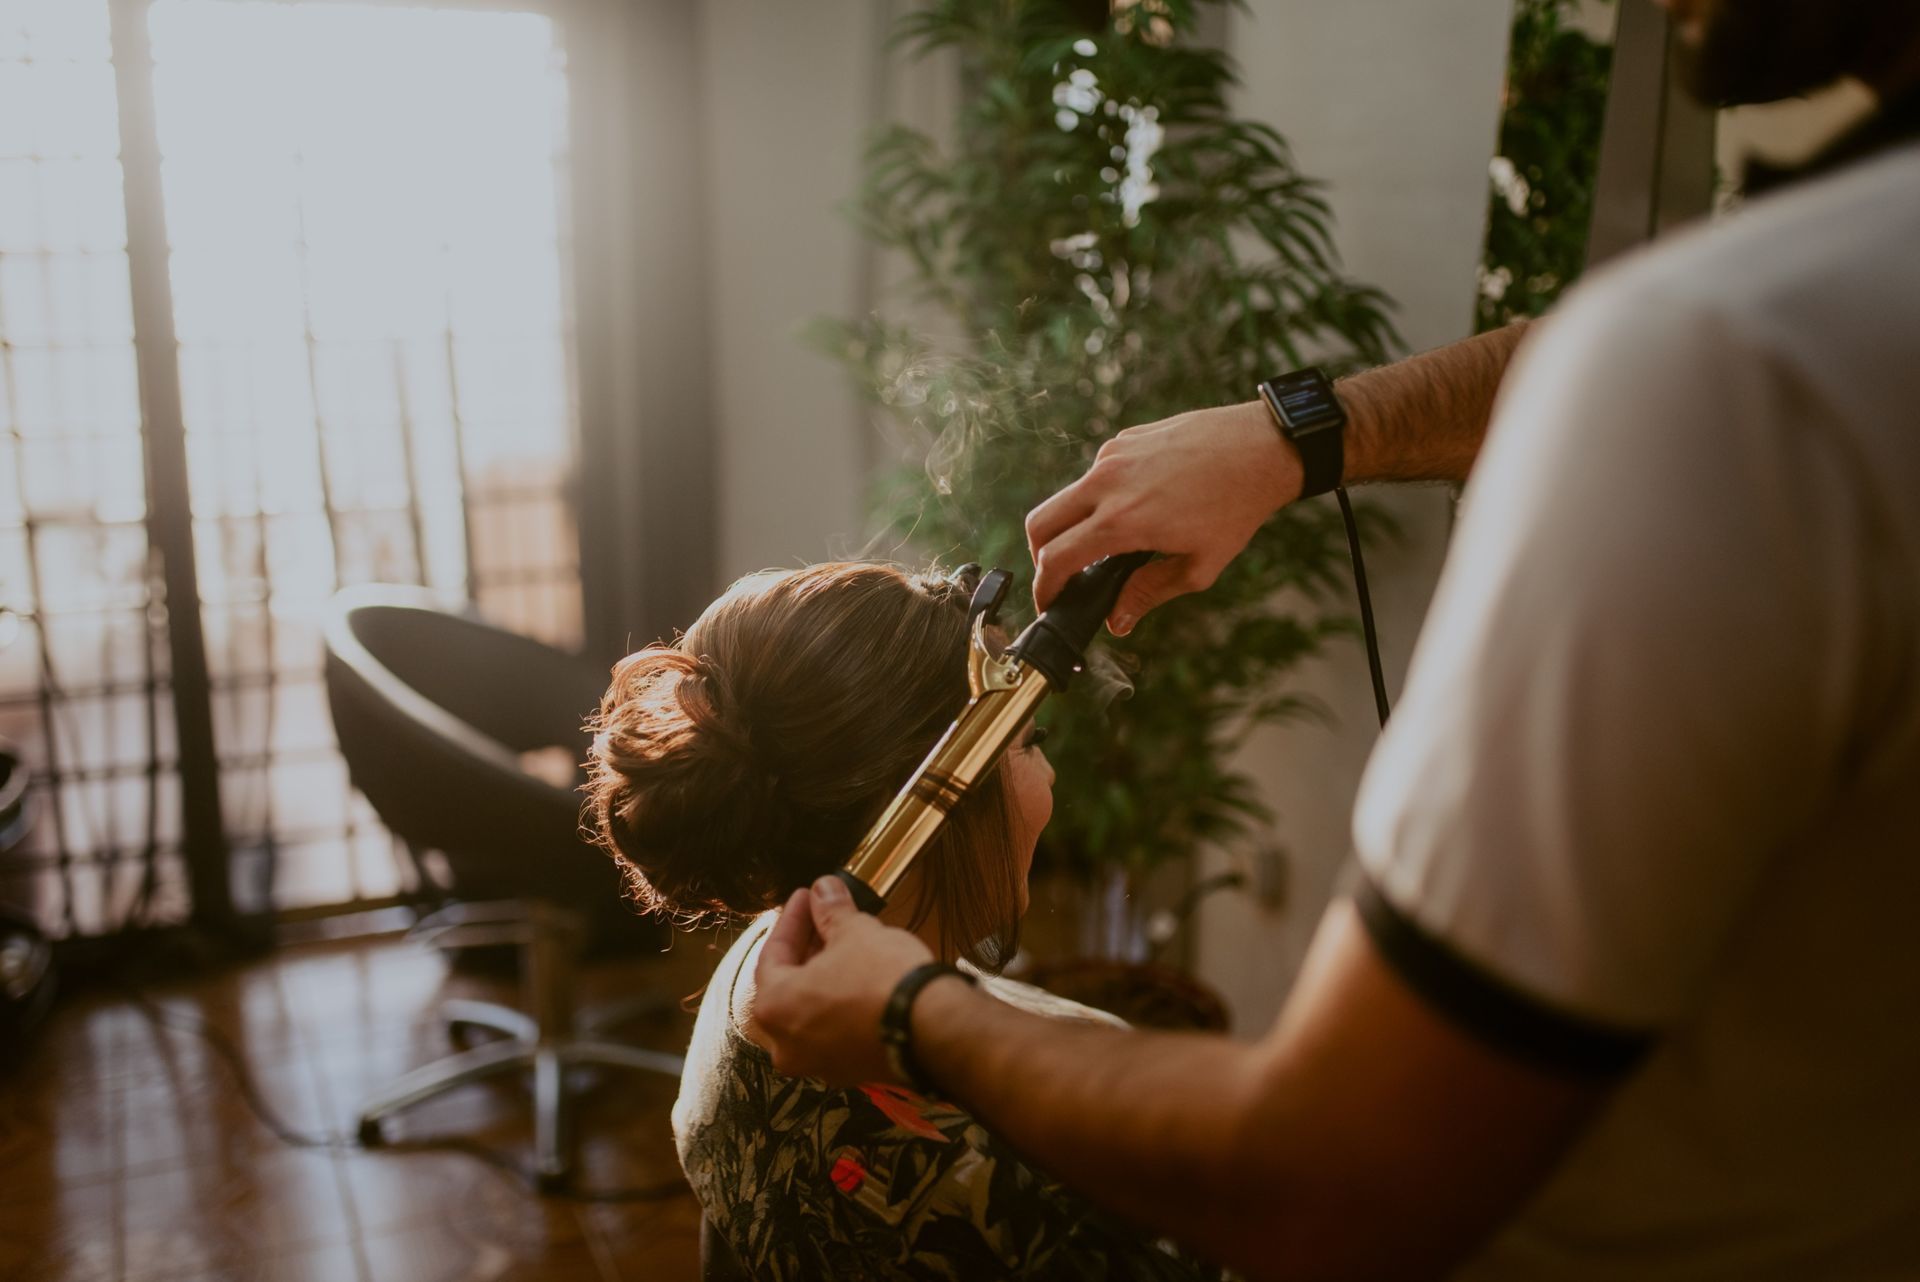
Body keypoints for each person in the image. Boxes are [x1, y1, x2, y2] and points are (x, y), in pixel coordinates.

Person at [748, 1, 1920, 1278]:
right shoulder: (1810, 318)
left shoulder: (1738, 355)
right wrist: (1297, 434)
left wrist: (916, 1018)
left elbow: (1331, 1183)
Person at [583, 561, 1222, 1281]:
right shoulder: (1032, 1200)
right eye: (1030, 745)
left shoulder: (758, 973)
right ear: (921, 816)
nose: (1048, 779)